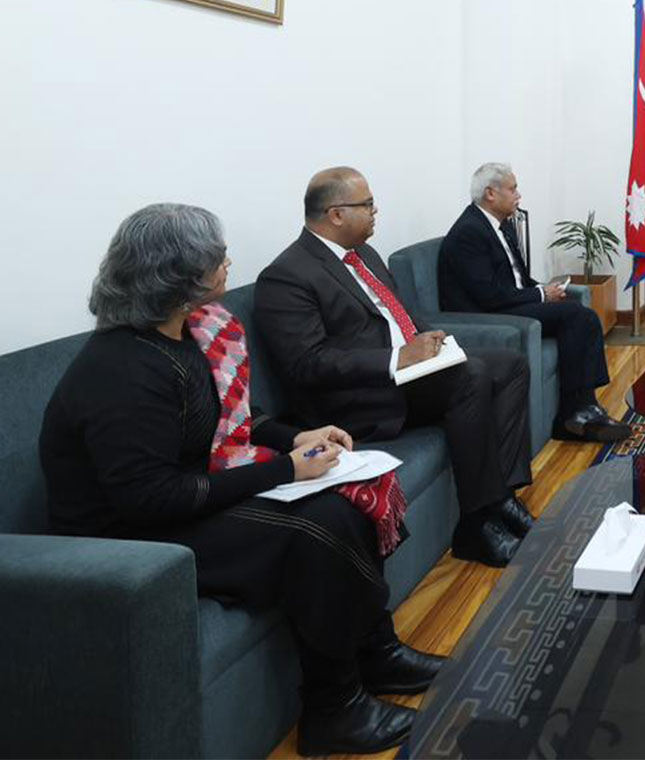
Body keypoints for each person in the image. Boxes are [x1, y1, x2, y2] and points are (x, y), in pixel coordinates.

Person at [37, 204, 443, 755]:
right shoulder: (121, 370)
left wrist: (294, 437)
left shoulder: (186, 335)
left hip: (180, 497)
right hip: (129, 540)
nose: (228, 262)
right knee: (317, 529)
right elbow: (148, 499)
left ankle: (377, 651)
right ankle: (332, 710)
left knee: (342, 501)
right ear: (178, 279)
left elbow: (229, 423)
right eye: (214, 257)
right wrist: (285, 470)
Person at [254, 167, 536, 569]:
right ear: (336, 214)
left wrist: (427, 339)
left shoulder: (364, 254)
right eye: (367, 204)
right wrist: (396, 359)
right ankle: (475, 526)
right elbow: (307, 363)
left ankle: (502, 496)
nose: (375, 211)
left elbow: (396, 312)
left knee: (508, 364)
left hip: (408, 376)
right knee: (471, 376)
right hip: (358, 398)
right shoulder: (287, 276)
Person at [437, 162, 627, 443]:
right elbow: (489, 296)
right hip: (488, 317)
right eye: (513, 189)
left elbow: (519, 279)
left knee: (579, 316)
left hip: (508, 304)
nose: (519, 195)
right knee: (578, 316)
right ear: (491, 193)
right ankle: (578, 411)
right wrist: (541, 295)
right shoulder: (469, 232)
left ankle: (582, 407)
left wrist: (543, 289)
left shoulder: (503, 226)